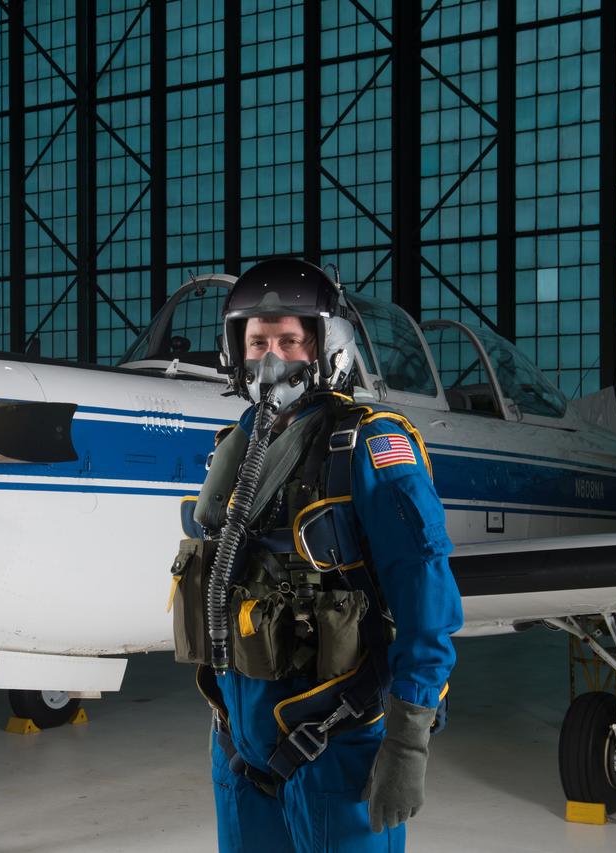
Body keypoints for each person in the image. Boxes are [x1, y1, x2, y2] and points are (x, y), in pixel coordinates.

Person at [172, 258, 463, 852]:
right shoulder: (235, 448)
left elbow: (425, 595)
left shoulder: (369, 445)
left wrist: (409, 739)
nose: (270, 357)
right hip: (237, 745)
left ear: (325, 348)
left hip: (337, 742)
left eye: (289, 340)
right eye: (256, 342)